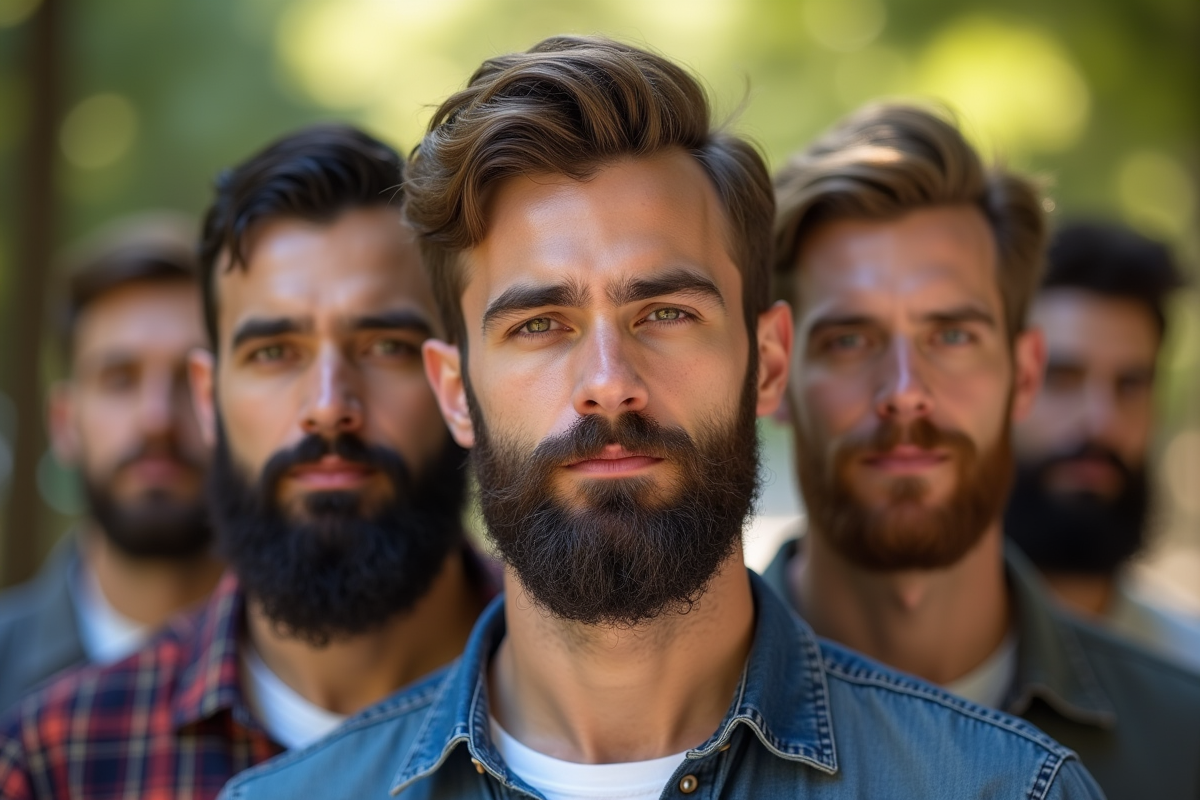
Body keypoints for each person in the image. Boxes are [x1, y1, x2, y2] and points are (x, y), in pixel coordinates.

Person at [221, 37, 1101, 800]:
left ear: (770, 363)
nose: (609, 384)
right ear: (455, 392)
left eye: (666, 314)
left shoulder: (1007, 789)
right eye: (539, 325)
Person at [0, 125, 494, 800]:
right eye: (274, 353)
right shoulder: (62, 757)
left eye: (385, 346)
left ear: (456, 379)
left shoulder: (597, 706)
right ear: (210, 399)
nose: (328, 407)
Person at [761, 103, 1200, 800]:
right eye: (850, 339)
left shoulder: (1185, 738)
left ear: (1023, 374)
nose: (905, 394)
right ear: (774, 375)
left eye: (953, 336)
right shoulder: (667, 734)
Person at [0, 214, 222, 712]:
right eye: (120, 379)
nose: (156, 419)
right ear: (64, 423)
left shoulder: (315, 676)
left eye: (190, 377)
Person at [1006, 221, 1200, 670]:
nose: (1102, 423)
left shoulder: (1186, 677)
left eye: (1130, 385)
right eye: (1061, 379)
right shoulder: (907, 670)